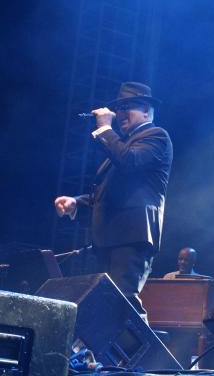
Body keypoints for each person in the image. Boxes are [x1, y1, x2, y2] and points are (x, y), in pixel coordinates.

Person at [54, 82, 173, 317]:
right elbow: (109, 191)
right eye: (118, 109)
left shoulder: (156, 137)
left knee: (123, 303)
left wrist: (104, 128)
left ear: (147, 111)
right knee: (102, 307)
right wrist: (76, 201)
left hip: (132, 236)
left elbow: (129, 162)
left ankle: (148, 355)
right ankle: (98, 355)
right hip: (107, 237)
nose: (120, 114)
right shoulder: (121, 147)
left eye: (128, 107)